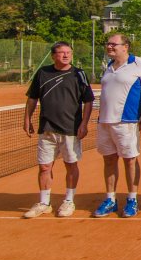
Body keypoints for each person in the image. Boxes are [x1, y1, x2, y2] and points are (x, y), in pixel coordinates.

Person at [22, 41, 94, 218]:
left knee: (71, 164)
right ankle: (44, 202)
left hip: (71, 129)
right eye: (61, 53)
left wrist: (84, 124)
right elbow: (32, 98)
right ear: (53, 55)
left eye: (68, 52)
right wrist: (26, 119)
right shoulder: (43, 73)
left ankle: (69, 201)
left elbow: (88, 101)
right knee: (45, 166)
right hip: (46, 129)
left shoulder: (79, 74)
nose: (66, 55)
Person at [93, 34, 141, 218]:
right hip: (104, 122)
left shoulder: (138, 64)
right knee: (109, 160)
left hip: (127, 122)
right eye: (108, 44)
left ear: (125, 46)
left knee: (130, 160)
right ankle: (110, 199)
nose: (109, 47)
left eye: (113, 44)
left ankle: (132, 199)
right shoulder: (109, 67)